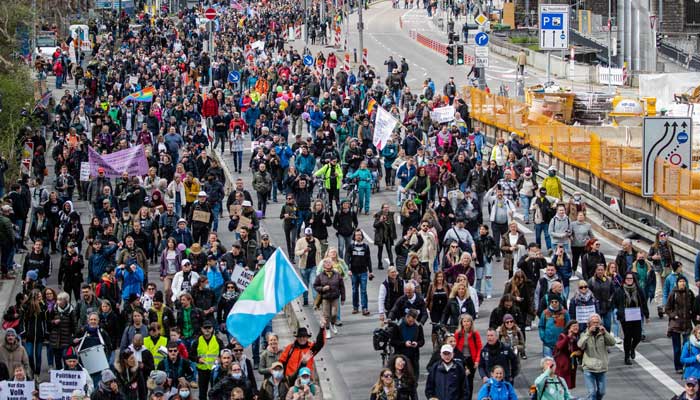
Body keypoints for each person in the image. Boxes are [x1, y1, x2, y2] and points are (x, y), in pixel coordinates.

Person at [578, 313, 616, 400]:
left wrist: (605, 332)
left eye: (597, 322)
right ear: (589, 324)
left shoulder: (603, 333)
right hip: (589, 368)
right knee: (592, 393)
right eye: (593, 322)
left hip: (601, 368)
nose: (595, 324)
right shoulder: (584, 334)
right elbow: (580, 345)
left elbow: (612, 342)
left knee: (602, 392)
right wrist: (588, 333)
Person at [666, 275, 695, 373]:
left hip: (687, 324)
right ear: (677, 283)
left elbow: (693, 307)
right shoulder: (673, 294)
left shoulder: (690, 293)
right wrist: (674, 316)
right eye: (680, 281)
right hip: (676, 325)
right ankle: (678, 367)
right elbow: (667, 309)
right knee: (677, 348)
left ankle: (686, 365)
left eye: (684, 281)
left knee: (687, 346)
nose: (682, 283)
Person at [189, 320, 225, 400]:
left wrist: (220, 358)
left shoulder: (218, 341)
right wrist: (197, 359)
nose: (207, 329)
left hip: (215, 370)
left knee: (215, 392)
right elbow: (190, 355)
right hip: (202, 370)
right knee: (202, 394)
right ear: (201, 329)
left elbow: (224, 352)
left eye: (209, 327)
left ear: (212, 329)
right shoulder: (197, 341)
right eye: (205, 328)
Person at [313, 258, 345, 338]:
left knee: (334, 314)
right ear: (323, 265)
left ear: (332, 264)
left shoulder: (337, 274)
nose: (328, 264)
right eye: (326, 263)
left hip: (335, 297)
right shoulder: (320, 276)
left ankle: (333, 324)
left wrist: (343, 298)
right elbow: (315, 286)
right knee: (326, 315)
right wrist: (323, 288)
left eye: (329, 263)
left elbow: (342, 286)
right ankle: (327, 330)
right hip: (325, 298)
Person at [390, 309, 425, 373]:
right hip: (400, 354)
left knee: (414, 376)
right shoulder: (398, 326)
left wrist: (417, 344)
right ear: (406, 317)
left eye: (413, 322)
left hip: (413, 356)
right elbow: (393, 342)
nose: (411, 323)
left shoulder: (418, 326)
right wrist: (404, 344)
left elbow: (422, 341)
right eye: (409, 321)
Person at [348, 229, 373, 315]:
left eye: (360, 235)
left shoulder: (366, 246)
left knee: (363, 291)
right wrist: (348, 269)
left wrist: (370, 271)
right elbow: (347, 258)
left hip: (363, 272)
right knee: (355, 290)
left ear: (362, 236)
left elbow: (368, 259)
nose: (358, 236)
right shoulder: (351, 246)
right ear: (354, 237)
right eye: (357, 235)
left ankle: (364, 308)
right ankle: (355, 307)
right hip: (354, 272)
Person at [295, 228, 322, 306]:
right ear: (304, 234)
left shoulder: (316, 241)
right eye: (307, 235)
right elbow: (296, 252)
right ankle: (305, 299)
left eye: (309, 235)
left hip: (314, 266)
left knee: (314, 283)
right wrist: (304, 250)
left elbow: (319, 253)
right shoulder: (300, 241)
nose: (308, 236)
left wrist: (320, 264)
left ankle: (316, 302)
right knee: (305, 284)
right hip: (304, 266)